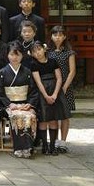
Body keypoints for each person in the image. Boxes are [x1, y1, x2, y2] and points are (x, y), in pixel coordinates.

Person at [0, 41, 39, 159]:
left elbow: (33, 91)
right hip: (9, 105)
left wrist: (29, 104)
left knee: (29, 116)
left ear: (22, 56)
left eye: (18, 54)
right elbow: (0, 92)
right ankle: (19, 147)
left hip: (25, 104)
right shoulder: (2, 73)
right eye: (12, 54)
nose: (14, 57)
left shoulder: (27, 72)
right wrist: (9, 104)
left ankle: (28, 147)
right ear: (7, 56)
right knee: (17, 116)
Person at [30, 41, 71, 156]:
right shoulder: (34, 64)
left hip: (55, 90)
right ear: (32, 54)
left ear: (44, 49)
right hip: (42, 91)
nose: (37, 53)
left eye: (39, 49)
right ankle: (45, 146)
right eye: (34, 51)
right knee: (43, 119)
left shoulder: (53, 62)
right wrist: (46, 96)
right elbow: (38, 82)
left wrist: (55, 94)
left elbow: (59, 78)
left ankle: (52, 145)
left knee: (53, 119)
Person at [47, 25, 76, 153]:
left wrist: (64, 87)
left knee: (64, 115)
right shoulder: (48, 52)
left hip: (65, 87)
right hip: (52, 86)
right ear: (51, 36)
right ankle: (54, 140)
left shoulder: (69, 52)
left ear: (64, 37)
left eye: (60, 35)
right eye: (55, 35)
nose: (57, 37)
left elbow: (72, 71)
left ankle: (63, 142)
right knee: (53, 114)